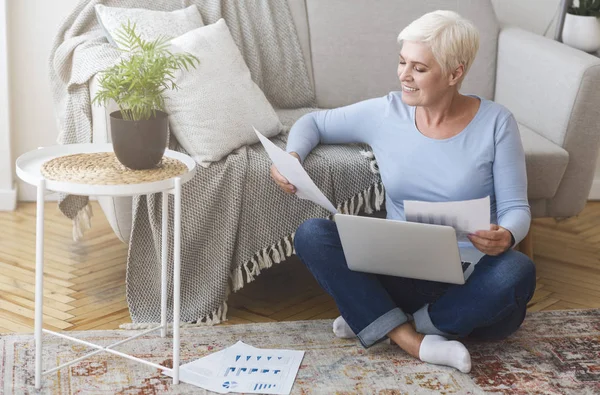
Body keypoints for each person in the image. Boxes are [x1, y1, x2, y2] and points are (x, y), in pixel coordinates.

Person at [270, 10, 535, 373]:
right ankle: (414, 341)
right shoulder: (387, 112)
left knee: (516, 271)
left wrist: (506, 235)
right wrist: (293, 156)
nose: (404, 76)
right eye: (402, 62)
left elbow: (516, 208)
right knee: (312, 234)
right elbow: (313, 121)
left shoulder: (495, 122)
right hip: (398, 273)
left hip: (469, 281)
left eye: (419, 68)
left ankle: (383, 319)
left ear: (455, 73)